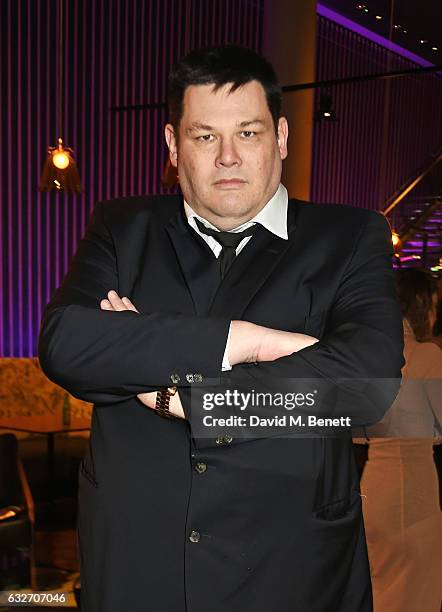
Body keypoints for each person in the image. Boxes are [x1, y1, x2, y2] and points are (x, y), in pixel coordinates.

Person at [38, 44, 404, 612]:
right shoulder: (121, 228)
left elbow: (367, 383)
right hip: (140, 568)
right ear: (173, 144)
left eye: (249, 133)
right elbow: (66, 344)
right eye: (205, 136)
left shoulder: (351, 237)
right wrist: (246, 342)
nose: (228, 157)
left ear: (280, 136)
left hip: (294, 571)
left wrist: (180, 396)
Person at [357, 269, 442, 612]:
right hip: (415, 491)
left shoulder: (369, 358)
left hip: (373, 488)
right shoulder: (427, 356)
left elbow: (359, 432)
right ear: (421, 306)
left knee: (379, 587)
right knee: (415, 592)